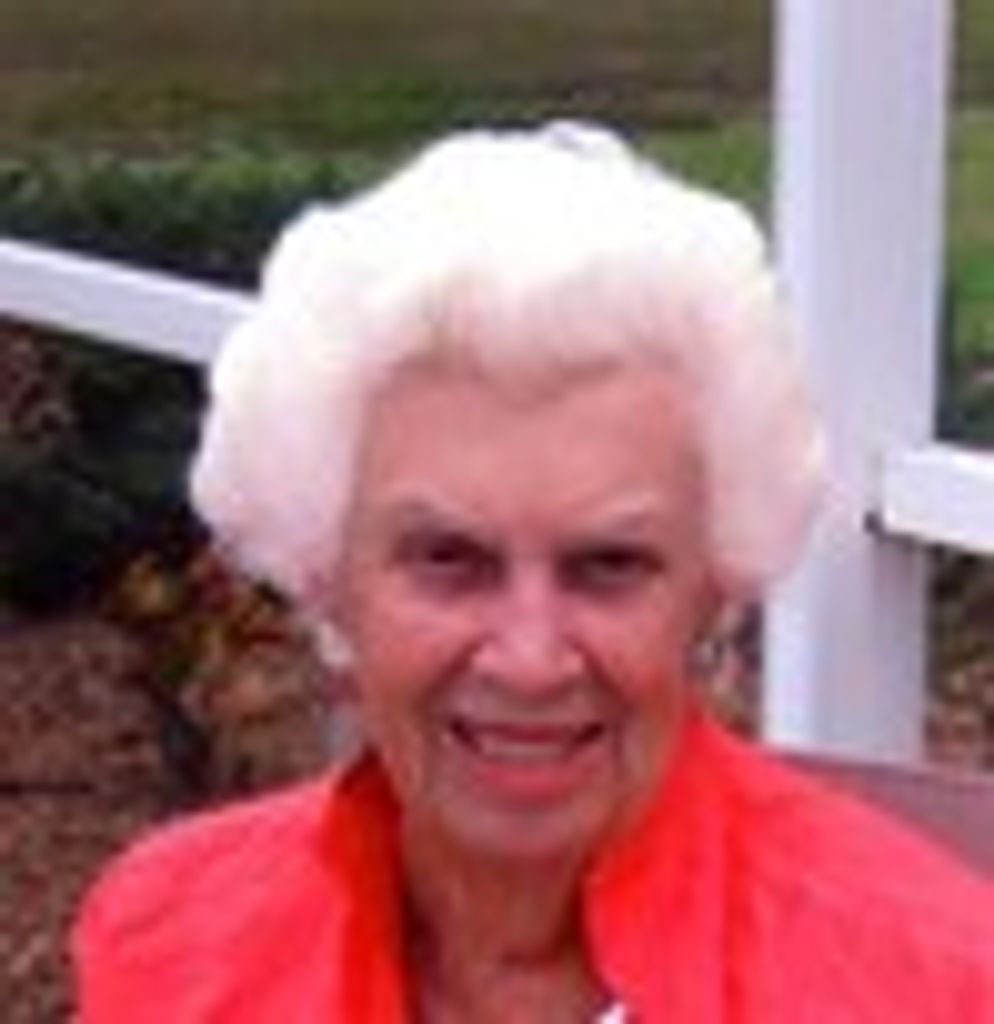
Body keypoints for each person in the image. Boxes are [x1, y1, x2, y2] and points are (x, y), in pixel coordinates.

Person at [73, 122, 993, 1023]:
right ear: (327, 580)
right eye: (448, 561)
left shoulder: (926, 986)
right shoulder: (173, 940)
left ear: (713, 589)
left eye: (609, 566)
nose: (529, 660)